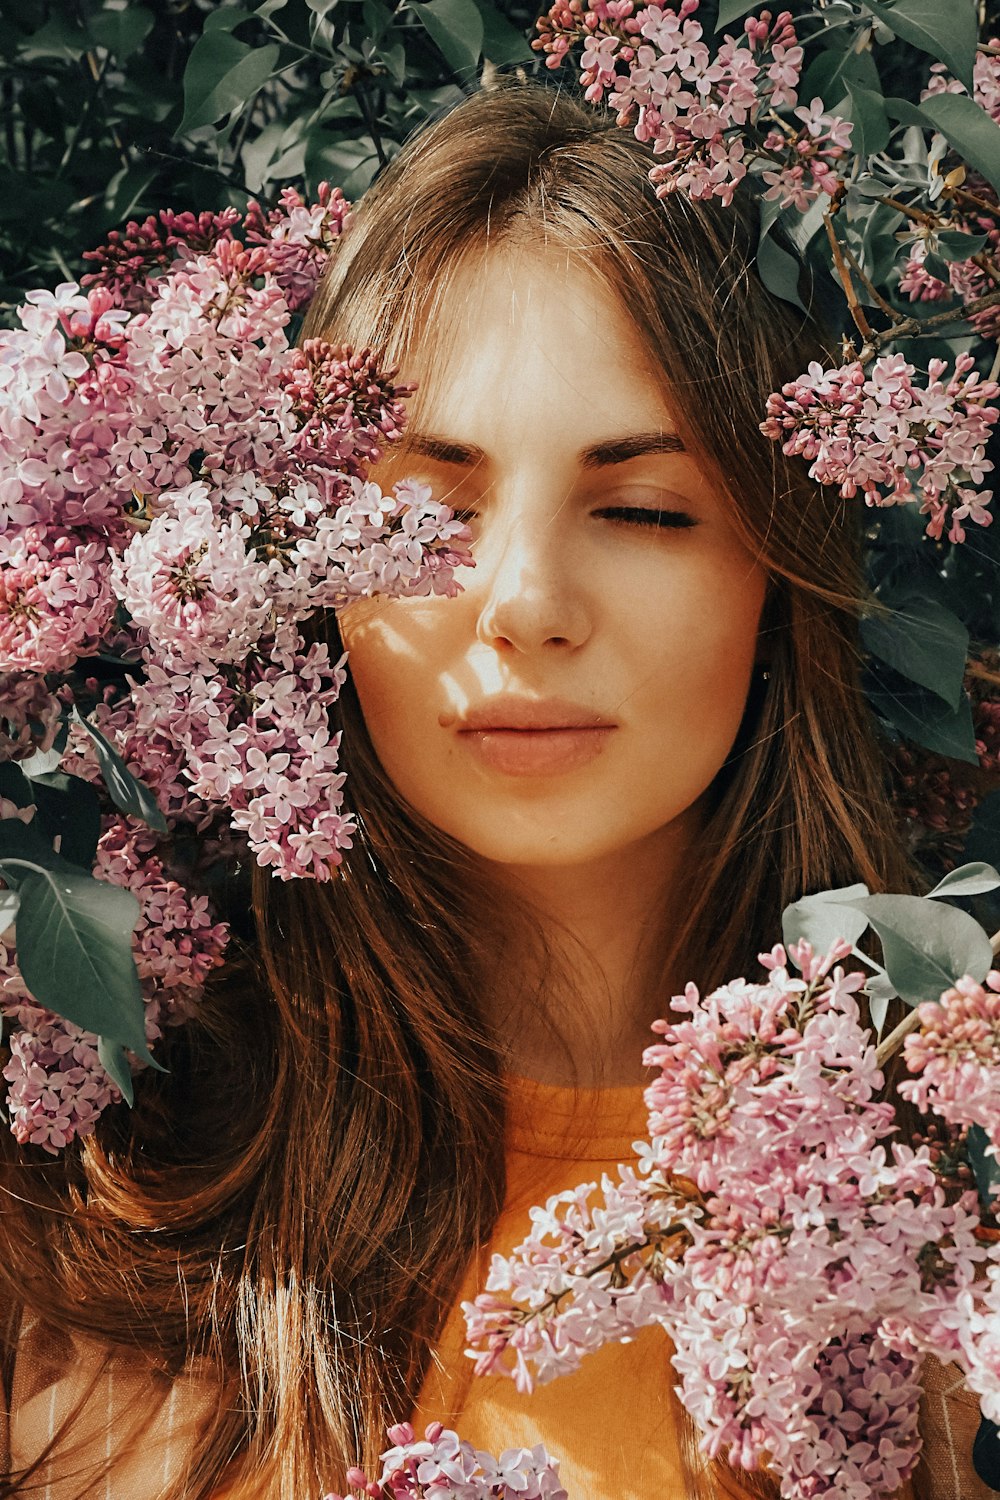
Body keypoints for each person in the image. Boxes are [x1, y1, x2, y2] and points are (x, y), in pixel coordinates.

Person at [0, 78, 954, 1499]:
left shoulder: (941, 1235)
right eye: (428, 510)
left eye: (640, 509)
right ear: (302, 581)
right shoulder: (72, 1206)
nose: (527, 604)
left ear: (782, 570)